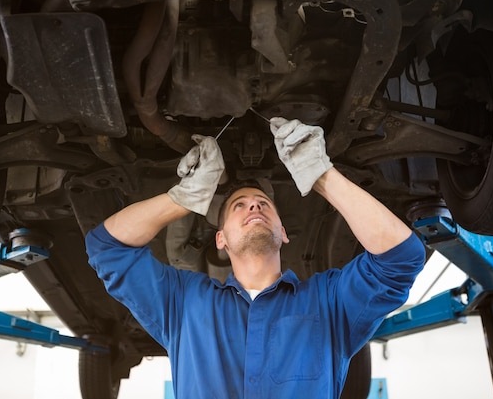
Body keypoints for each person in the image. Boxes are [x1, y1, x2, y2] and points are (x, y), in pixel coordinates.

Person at [86, 117, 425, 399]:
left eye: (264, 204)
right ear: (221, 240)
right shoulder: (184, 303)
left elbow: (400, 258)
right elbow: (107, 247)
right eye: (239, 205)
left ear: (284, 233)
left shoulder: (328, 303)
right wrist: (183, 197)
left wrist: (321, 175)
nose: (254, 205)